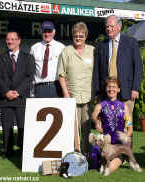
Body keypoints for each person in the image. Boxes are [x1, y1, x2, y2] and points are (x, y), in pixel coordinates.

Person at [93, 15, 143, 121]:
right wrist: (97, 91)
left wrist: (136, 88)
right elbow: (96, 70)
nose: (109, 29)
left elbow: (138, 67)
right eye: (107, 26)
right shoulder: (101, 46)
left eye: (111, 26)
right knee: (109, 124)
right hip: (107, 92)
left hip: (127, 92)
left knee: (126, 124)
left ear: (119, 27)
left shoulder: (131, 42)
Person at [0, 31, 35, 158]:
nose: (10, 41)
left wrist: (18, 92)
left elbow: (29, 77)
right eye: (8, 39)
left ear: (19, 41)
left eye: (13, 39)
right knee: (7, 126)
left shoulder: (28, 57)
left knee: (23, 126)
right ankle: (8, 151)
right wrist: (6, 92)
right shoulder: (0, 58)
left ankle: (23, 151)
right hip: (5, 97)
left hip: (21, 97)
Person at [58, 22, 95, 156]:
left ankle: (86, 155)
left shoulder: (92, 51)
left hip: (88, 96)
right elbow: (61, 75)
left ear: (85, 36)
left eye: (81, 35)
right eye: (76, 36)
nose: (78, 38)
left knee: (86, 128)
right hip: (71, 96)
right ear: (72, 36)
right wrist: (66, 93)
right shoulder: (67, 51)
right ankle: (73, 154)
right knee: (71, 128)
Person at [91, 76, 133, 173]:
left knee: (108, 170)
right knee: (95, 153)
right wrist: (97, 121)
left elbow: (129, 127)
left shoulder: (124, 107)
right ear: (106, 89)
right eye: (109, 87)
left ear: (118, 89)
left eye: (114, 87)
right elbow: (93, 115)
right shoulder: (101, 105)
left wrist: (126, 137)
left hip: (118, 144)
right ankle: (102, 159)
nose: (111, 89)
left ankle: (113, 160)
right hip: (105, 141)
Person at [30, 21, 65, 98]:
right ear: (41, 32)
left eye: (49, 31)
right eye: (44, 31)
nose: (47, 34)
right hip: (39, 87)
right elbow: (31, 71)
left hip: (56, 87)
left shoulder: (61, 48)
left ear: (54, 32)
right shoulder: (34, 48)